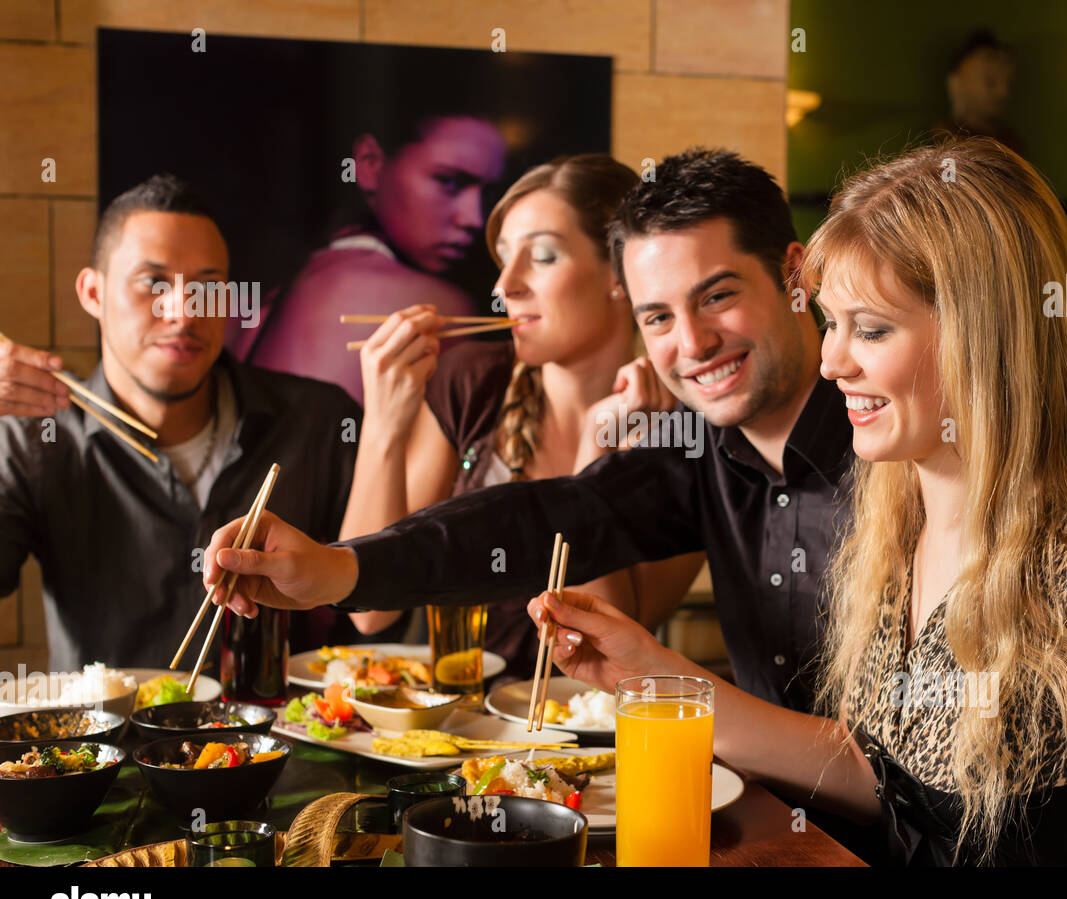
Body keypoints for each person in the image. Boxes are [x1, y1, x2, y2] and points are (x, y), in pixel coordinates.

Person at [519, 138, 1067, 865]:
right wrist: (654, 677)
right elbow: (880, 777)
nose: (833, 361)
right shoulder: (897, 519)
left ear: (981, 338)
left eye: (870, 330)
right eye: (831, 323)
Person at [201, 147, 853, 718]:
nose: (505, 288)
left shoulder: (697, 431)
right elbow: (529, 523)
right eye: (662, 315)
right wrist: (339, 564)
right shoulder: (698, 437)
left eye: (716, 296)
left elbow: (607, 614)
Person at [340, 155, 704, 680]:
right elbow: (372, 612)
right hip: (459, 734)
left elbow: (610, 647)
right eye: (505, 258)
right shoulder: (471, 382)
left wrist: (596, 450)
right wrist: (383, 425)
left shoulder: (685, 430)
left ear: (621, 274)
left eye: (544, 256)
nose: (505, 285)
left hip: (588, 747)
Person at [0, 174, 370, 669]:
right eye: (153, 283)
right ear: (93, 293)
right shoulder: (35, 437)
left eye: (208, 287)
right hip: (102, 744)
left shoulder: (319, 420)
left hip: (280, 742)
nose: (184, 311)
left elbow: (382, 598)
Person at [234, 114, 508, 405]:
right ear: (369, 165)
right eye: (449, 182)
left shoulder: (289, 285)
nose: (475, 218)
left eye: (488, 193)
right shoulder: (434, 310)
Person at [933, 29, 1023, 155]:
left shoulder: (1010, 143)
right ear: (956, 83)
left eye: (1009, 83)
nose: (1003, 92)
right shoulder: (946, 141)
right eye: (990, 82)